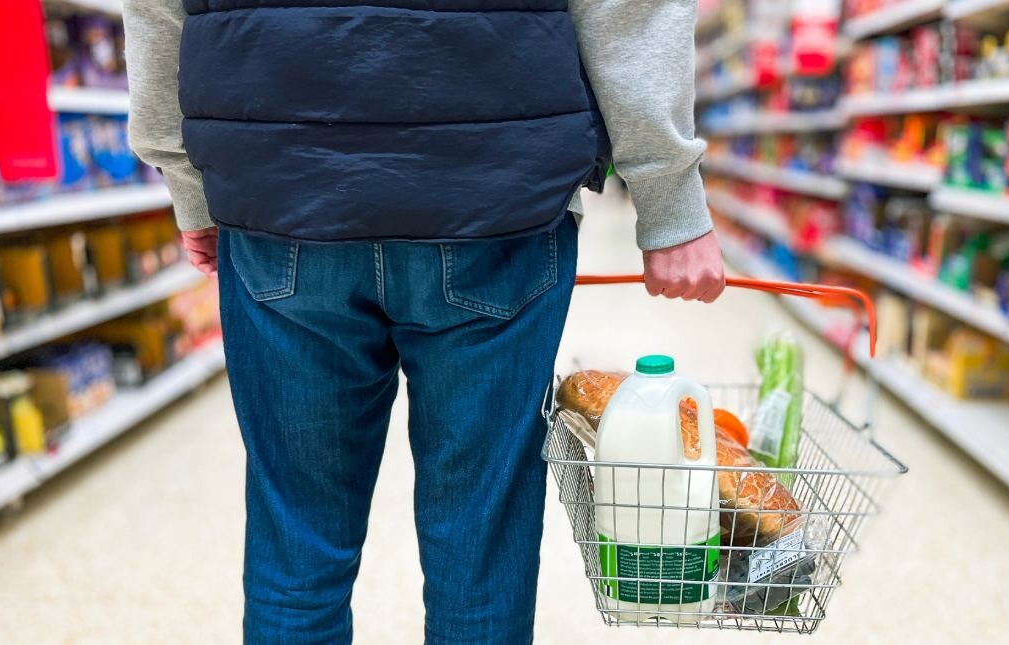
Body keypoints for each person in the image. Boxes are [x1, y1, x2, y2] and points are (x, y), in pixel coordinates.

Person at [122, 1, 724, 643]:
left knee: (298, 541)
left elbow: (156, 11)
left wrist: (189, 183)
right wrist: (668, 198)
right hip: (494, 197)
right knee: (479, 550)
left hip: (281, 197)